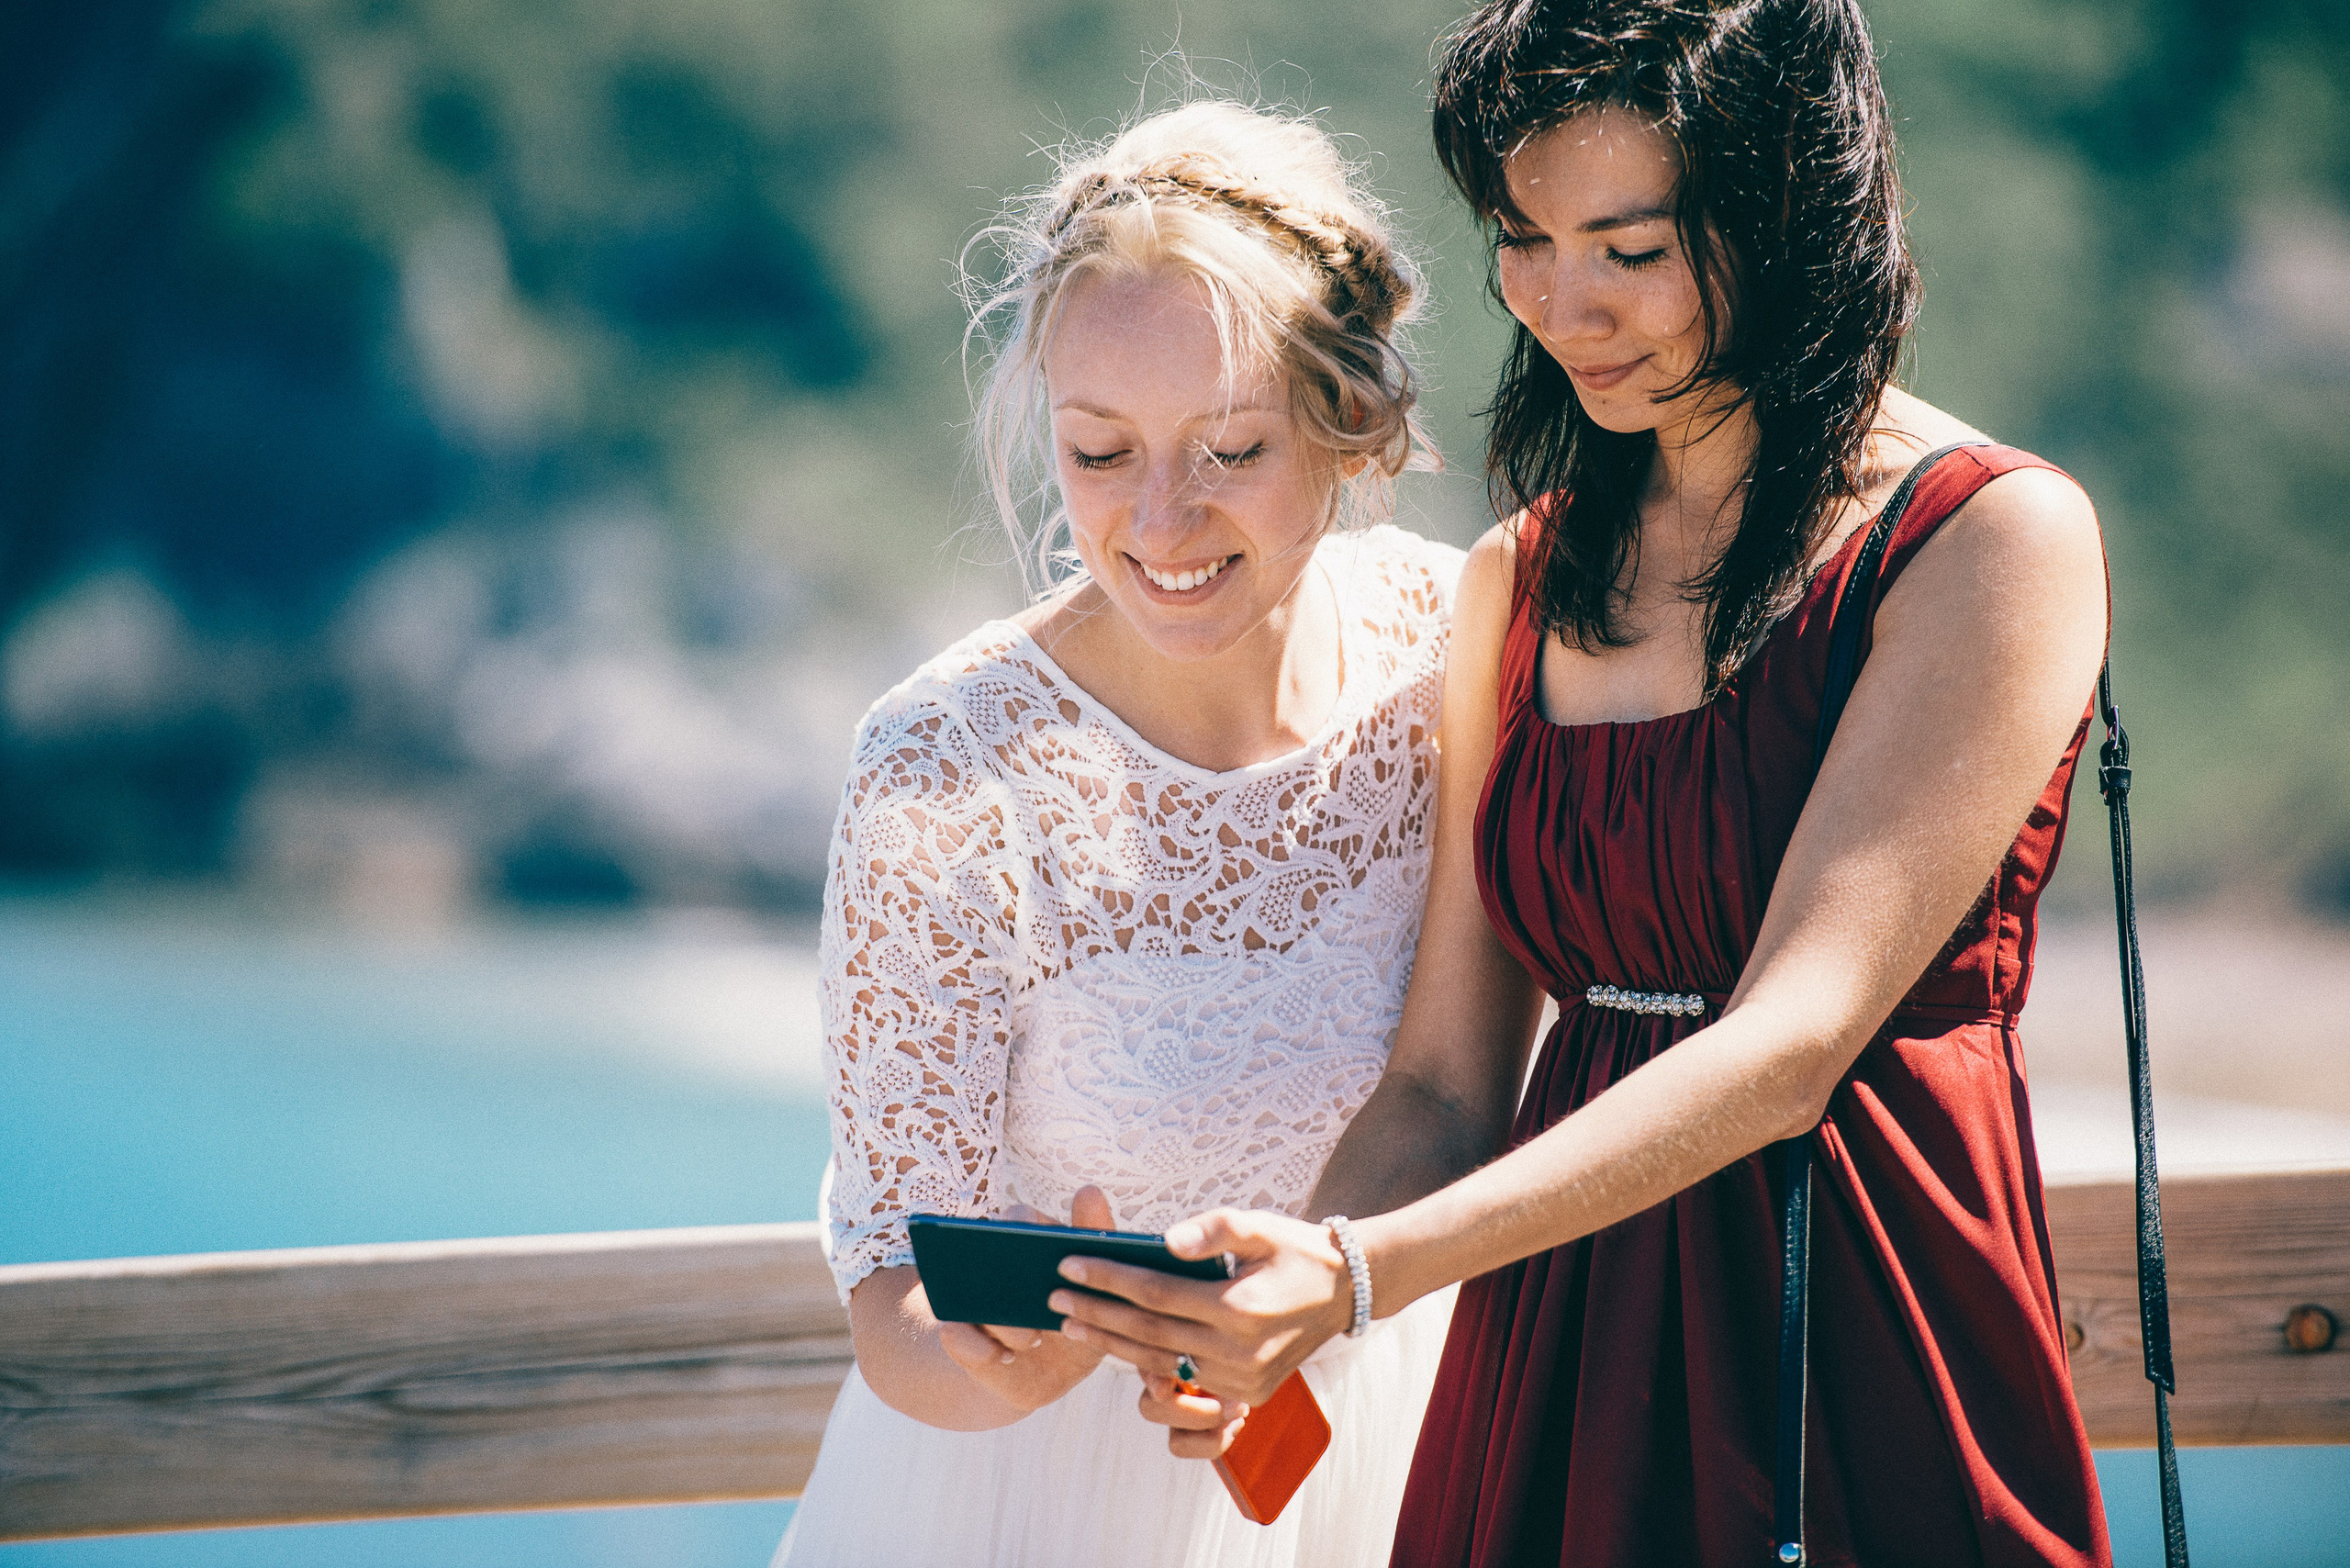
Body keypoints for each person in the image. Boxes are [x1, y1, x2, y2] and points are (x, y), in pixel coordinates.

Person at [1050, 5, 2118, 1564]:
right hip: (1560, 1362)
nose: (1565, 306)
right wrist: (1281, 1283)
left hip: (1865, 1321)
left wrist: (1358, 1278)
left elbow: (1791, 1045)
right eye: (1524, 239)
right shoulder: (1524, 574)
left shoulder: (1986, 540)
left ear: (1787, 209)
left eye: (1630, 248)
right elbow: (1443, 1086)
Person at [773, 98, 1464, 1568]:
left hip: (1419, 1458)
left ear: (1345, 421)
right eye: (1099, 454)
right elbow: (891, 1283)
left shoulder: (1454, 648)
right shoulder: (940, 769)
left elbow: (1466, 1083)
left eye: (1229, 448)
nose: (1162, 520)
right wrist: (975, 1366)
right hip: (1042, 1510)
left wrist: (1325, 1297)